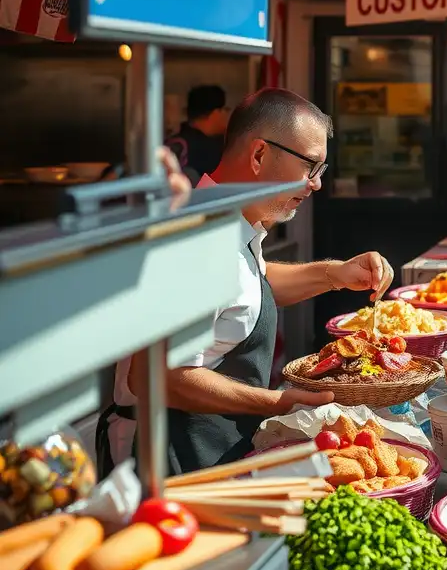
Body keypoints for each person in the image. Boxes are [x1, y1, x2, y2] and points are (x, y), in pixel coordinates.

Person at [99, 88, 394, 475]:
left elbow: (248, 291)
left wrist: (334, 273)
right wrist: (277, 402)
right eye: (311, 167)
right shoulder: (198, 242)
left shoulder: (230, 227)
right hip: (164, 462)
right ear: (258, 155)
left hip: (208, 456)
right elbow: (156, 375)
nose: (316, 184)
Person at [165, 85, 231, 186]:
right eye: (226, 109)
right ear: (216, 113)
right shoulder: (180, 145)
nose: (228, 115)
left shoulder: (225, 142)